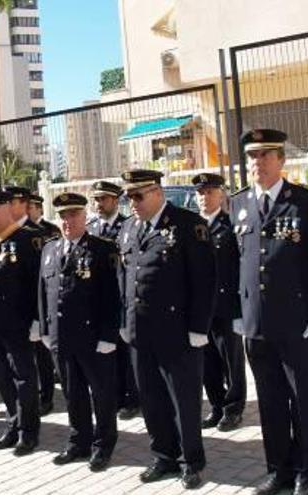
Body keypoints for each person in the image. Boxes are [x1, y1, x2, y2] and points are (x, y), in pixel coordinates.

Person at [230, 129, 308, 495]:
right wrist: (236, 313)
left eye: (265, 155)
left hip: (298, 321)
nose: (257, 163)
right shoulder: (237, 204)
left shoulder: (306, 202)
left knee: (303, 398)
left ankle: (306, 468)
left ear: (281, 160)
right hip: (256, 322)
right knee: (270, 400)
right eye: (252, 156)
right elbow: (230, 266)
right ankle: (279, 469)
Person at [119, 169, 215, 490]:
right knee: (151, 398)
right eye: (129, 196)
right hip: (140, 331)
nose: (133, 202)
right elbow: (125, 281)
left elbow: (204, 281)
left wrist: (199, 328)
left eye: (139, 195)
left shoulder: (188, 226)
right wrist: (124, 322)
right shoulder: (128, 229)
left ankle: (191, 461)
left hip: (177, 331)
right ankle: (163, 456)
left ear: (157, 192)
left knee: (183, 401)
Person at [40, 192, 120, 471]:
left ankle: (103, 445)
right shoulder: (50, 249)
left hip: (93, 338)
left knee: (101, 394)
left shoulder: (102, 249)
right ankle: (78, 441)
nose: (67, 221)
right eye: (63, 216)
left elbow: (113, 297)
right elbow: (43, 292)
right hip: (62, 338)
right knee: (73, 394)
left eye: (73, 215)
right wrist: (45, 328)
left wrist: (109, 336)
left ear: (85, 216)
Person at [0, 190, 42, 455]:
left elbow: (37, 283)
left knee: (23, 379)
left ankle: (28, 432)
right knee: (3, 379)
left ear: (8, 209)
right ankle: (13, 425)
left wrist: (37, 321)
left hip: (17, 325)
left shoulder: (27, 240)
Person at [192, 173, 246, 432]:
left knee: (231, 361)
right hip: (201, 310)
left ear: (221, 194)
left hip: (225, 307)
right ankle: (215, 405)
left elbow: (239, 268)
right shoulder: (192, 227)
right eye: (200, 193)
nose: (204, 197)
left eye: (210, 192)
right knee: (206, 361)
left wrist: (239, 308)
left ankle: (233, 408)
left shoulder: (231, 225)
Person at [88, 179, 139, 420]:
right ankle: (116, 396)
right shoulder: (91, 229)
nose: (99, 204)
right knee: (106, 353)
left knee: (126, 352)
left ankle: (132, 397)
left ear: (115, 201)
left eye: (103, 199)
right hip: (100, 300)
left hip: (122, 297)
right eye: (96, 199)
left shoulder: (127, 226)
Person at [2, 185, 55, 417]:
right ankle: (22, 407)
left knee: (41, 356)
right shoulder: (3, 233)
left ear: (22, 204)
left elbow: (42, 279)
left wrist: (37, 317)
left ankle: (46, 397)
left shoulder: (39, 234)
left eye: (9, 202)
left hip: (34, 309)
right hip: (12, 313)